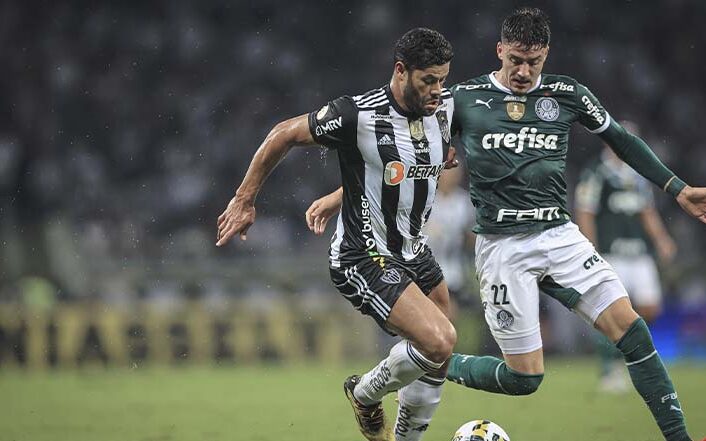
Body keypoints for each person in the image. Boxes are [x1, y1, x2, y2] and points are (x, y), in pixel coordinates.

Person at [305, 9, 706, 441]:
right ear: (500, 50)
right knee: (525, 378)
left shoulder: (567, 94)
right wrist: (337, 195)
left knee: (634, 332)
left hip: (560, 234)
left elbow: (621, 140)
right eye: (515, 59)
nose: (522, 71)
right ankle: (428, 358)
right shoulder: (462, 98)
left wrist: (677, 188)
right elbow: (399, 152)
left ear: (546, 55)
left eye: (533, 62)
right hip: (502, 247)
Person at [217, 28, 458, 441]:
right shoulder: (357, 115)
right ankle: (365, 394)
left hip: (413, 249)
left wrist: (336, 196)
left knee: (438, 352)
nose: (438, 91)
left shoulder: (445, 109)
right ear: (401, 72)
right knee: (439, 341)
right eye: (428, 80)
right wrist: (244, 199)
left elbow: (386, 172)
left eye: (443, 79)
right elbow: (284, 133)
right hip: (363, 255)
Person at [575, 120, 677, 392]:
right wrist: (589, 246)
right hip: (611, 253)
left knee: (650, 308)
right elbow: (585, 210)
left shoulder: (636, 175)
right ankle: (610, 369)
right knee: (612, 312)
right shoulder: (597, 172)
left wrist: (662, 239)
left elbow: (647, 211)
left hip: (639, 253)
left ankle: (629, 355)